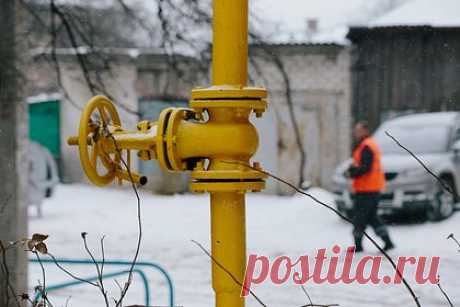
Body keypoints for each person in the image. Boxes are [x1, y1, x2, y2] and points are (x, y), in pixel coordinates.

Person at [346, 121, 395, 252]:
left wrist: (352, 172)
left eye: (358, 130)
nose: (355, 133)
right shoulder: (369, 144)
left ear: (365, 131)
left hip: (366, 189)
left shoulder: (366, 146)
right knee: (372, 217)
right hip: (372, 188)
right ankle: (388, 242)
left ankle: (358, 246)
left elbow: (365, 168)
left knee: (359, 217)